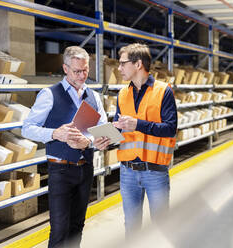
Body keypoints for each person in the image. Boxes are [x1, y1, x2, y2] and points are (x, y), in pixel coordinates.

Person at [22, 46, 111, 248]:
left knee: (77, 226)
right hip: (60, 170)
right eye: (76, 71)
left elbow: (101, 130)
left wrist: (92, 141)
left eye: (85, 70)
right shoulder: (49, 94)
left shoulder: (94, 96)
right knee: (60, 229)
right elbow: (27, 128)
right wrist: (54, 133)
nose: (82, 75)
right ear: (65, 68)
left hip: (85, 168)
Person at [113, 43, 177, 237]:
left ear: (138, 64)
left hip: (155, 171)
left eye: (123, 63)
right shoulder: (122, 94)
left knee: (161, 227)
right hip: (127, 172)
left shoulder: (163, 91)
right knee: (131, 227)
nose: (119, 68)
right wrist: (107, 139)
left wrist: (138, 124)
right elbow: (119, 128)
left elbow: (170, 129)